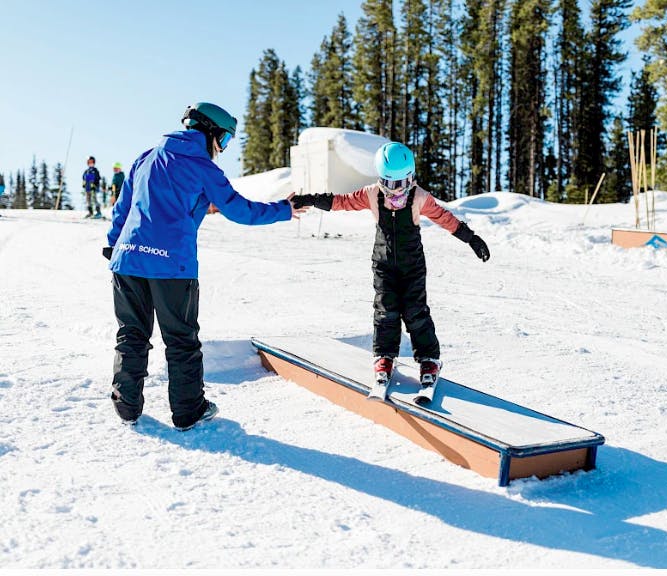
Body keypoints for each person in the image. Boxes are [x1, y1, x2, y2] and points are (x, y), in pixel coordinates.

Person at [103, 102, 307, 431]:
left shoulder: (146, 156)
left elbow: (122, 208)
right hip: (171, 265)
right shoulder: (201, 166)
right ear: (210, 132)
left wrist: (114, 244)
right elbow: (239, 210)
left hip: (126, 259)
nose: (222, 149)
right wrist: (284, 210)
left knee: (131, 334)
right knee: (181, 339)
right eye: (224, 140)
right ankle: (188, 412)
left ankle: (126, 406)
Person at [290, 142, 490, 389]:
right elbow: (342, 201)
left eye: (402, 183)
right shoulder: (372, 194)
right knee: (386, 311)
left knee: (416, 312)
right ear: (381, 178)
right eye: (391, 184)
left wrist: (471, 238)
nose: (396, 191)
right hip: (383, 263)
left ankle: (429, 359)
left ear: (411, 178)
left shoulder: (419, 197)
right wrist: (310, 199)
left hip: (413, 265)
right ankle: (384, 356)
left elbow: (444, 218)